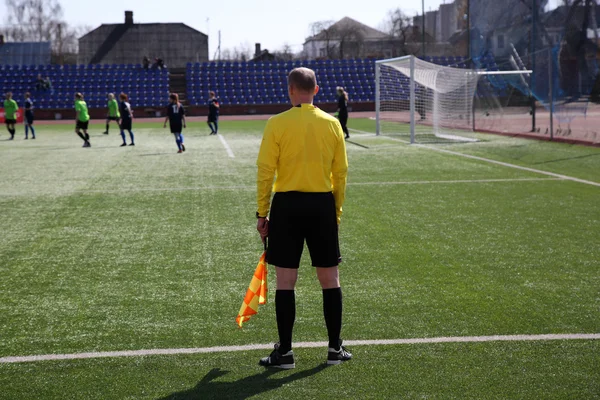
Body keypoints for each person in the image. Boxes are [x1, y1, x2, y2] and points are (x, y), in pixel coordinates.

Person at [256, 67, 350, 369]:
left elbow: (265, 171)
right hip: (322, 204)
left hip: (286, 206)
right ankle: (335, 348)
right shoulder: (332, 124)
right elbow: (341, 173)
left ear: (290, 90)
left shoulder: (276, 124)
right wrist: (335, 211)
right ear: (317, 90)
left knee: (286, 280)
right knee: (329, 278)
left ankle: (284, 353)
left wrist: (262, 213)